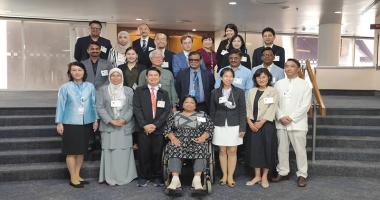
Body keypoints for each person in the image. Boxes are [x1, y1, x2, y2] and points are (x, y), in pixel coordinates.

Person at [55, 62, 98, 188]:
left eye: (79, 70)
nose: (77, 72)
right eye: (74, 70)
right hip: (70, 122)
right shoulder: (65, 87)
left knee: (81, 152)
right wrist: (59, 122)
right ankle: (72, 177)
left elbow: (93, 104)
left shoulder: (90, 86)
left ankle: (77, 174)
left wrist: (95, 119)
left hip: (86, 122)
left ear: (84, 72)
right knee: (72, 152)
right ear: (70, 73)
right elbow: (60, 105)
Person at [272, 59, 311, 187]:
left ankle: (302, 174)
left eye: (292, 66)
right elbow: (274, 103)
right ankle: (283, 172)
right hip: (281, 123)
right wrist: (281, 116)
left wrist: (291, 118)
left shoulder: (305, 84)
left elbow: (305, 105)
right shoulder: (278, 84)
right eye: (286, 66)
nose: (288, 69)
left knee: (300, 150)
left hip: (298, 124)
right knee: (281, 149)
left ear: (298, 69)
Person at [96, 68, 137, 186]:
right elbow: (99, 107)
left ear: (122, 77)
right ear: (109, 77)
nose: (115, 78)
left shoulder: (128, 90)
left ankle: (125, 176)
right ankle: (110, 177)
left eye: (118, 75)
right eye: (113, 75)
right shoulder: (102, 90)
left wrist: (123, 119)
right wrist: (110, 121)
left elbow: (132, 107)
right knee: (110, 151)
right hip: (108, 126)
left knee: (124, 152)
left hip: (125, 126)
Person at [164, 95, 214, 191]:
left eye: (192, 102)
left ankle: (197, 179)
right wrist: (173, 138)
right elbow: (167, 129)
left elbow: (210, 128)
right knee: (173, 147)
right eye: (186, 102)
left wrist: (203, 137)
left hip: (196, 141)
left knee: (201, 148)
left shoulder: (202, 115)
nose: (189, 104)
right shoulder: (175, 115)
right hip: (179, 141)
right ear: (182, 104)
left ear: (195, 105)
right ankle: (175, 179)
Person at [133, 67, 171, 187]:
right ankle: (144, 176)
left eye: (155, 75)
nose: (153, 77)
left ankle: (157, 176)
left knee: (157, 153)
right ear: (146, 77)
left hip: (158, 129)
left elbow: (166, 111)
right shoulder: (139, 91)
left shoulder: (163, 93)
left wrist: (155, 125)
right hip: (143, 128)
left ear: (159, 77)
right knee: (143, 153)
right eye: (151, 75)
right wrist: (144, 125)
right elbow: (137, 109)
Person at [210, 67, 246, 188]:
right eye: (226, 76)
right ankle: (224, 175)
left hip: (234, 124)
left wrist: (242, 128)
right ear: (221, 78)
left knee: (232, 150)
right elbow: (212, 111)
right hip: (219, 125)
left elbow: (242, 111)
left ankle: (230, 175)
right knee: (222, 151)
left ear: (233, 78)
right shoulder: (215, 92)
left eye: (230, 76)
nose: (228, 78)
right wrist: (211, 128)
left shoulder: (239, 92)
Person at [245, 68, 279, 189]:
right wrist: (249, 122)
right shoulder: (251, 91)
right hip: (253, 125)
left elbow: (272, 108)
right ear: (255, 79)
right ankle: (257, 176)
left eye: (264, 77)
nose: (261, 79)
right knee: (255, 150)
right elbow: (248, 107)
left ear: (268, 78)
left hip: (267, 125)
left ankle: (265, 176)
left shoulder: (273, 91)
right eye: (259, 77)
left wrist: (262, 122)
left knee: (267, 150)